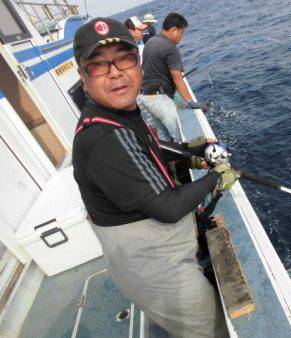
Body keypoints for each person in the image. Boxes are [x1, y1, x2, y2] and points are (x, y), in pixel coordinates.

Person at [71, 17, 238, 337]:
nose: (116, 71)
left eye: (125, 58)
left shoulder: (117, 113)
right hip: (161, 274)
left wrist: (192, 151)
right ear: (83, 77)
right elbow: (168, 207)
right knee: (212, 330)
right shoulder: (105, 139)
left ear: (139, 63)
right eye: (98, 65)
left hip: (156, 257)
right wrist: (217, 178)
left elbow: (147, 148)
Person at [140, 13, 209, 142]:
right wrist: (191, 103)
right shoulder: (171, 48)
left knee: (164, 140)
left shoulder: (151, 42)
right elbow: (177, 78)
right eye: (181, 33)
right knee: (180, 139)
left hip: (145, 98)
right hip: (161, 101)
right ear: (173, 30)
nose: (181, 37)